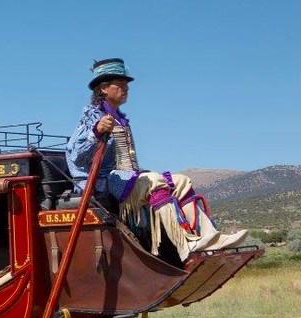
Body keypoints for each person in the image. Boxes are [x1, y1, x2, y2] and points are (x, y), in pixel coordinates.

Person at [66, 58, 247, 262]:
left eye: (127, 84)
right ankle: (185, 245)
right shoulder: (92, 117)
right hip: (105, 181)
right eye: (121, 83)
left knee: (181, 181)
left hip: (127, 176)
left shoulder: (120, 118)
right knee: (155, 181)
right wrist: (96, 131)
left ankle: (209, 236)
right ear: (104, 88)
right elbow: (75, 155)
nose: (126, 88)